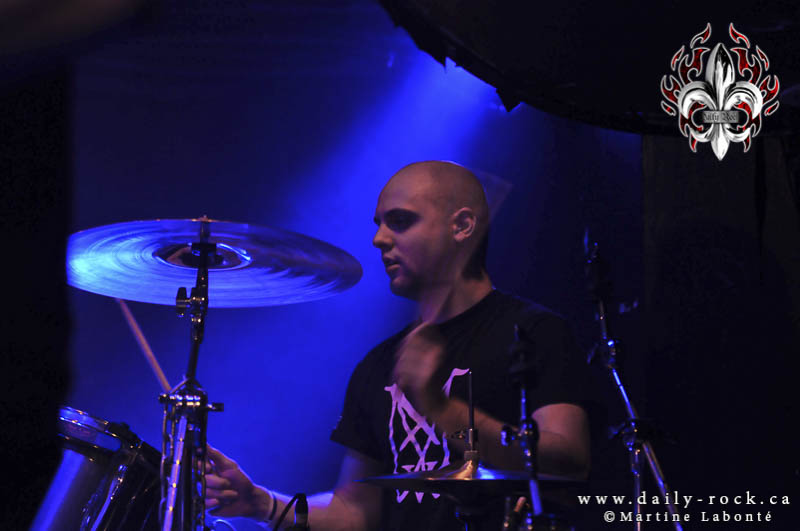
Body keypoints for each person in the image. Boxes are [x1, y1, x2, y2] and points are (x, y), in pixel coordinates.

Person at [205, 161, 591, 530]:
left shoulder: (534, 331)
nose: (379, 239)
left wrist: (443, 410)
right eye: (379, 224)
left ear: (462, 226)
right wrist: (260, 503)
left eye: (401, 221)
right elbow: (353, 512)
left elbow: (569, 461)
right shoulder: (378, 364)